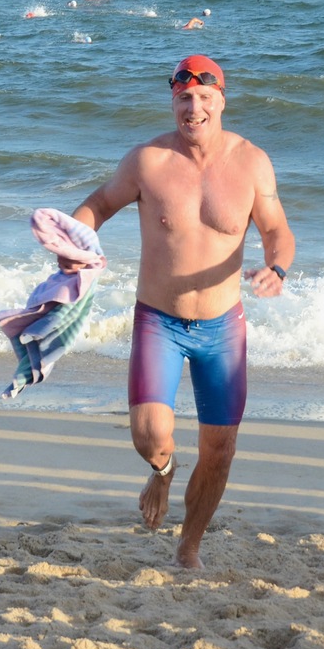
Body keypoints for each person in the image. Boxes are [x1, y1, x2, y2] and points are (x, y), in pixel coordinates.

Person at [66, 54, 294, 570]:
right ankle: (163, 472)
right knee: (149, 434)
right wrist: (74, 242)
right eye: (183, 98)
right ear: (173, 101)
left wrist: (276, 270)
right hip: (159, 320)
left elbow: (277, 231)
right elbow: (99, 204)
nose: (193, 108)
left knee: (220, 450)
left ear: (221, 101)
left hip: (222, 326)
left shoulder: (252, 162)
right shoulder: (148, 161)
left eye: (203, 99)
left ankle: (189, 544)